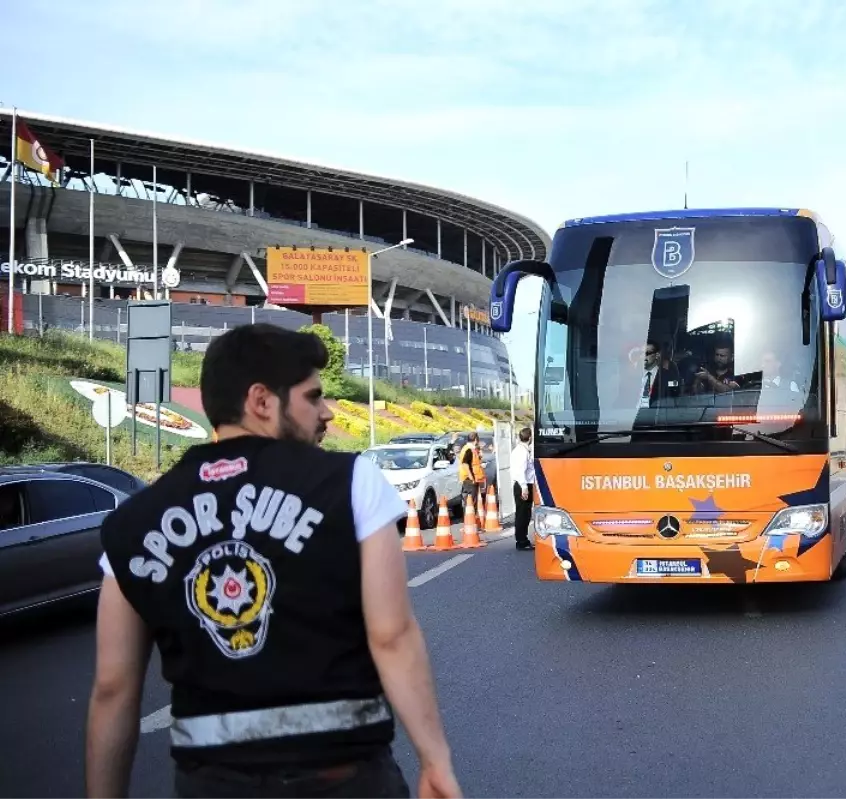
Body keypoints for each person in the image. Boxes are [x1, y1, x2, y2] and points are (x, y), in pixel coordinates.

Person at [85, 323, 461, 799]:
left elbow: (114, 689)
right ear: (261, 401)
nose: (326, 414)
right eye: (312, 397)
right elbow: (392, 635)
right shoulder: (349, 483)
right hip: (344, 777)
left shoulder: (132, 522)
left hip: (212, 784)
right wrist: (434, 758)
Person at [509, 427, 535, 550]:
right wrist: (524, 487)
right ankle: (521, 541)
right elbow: (520, 471)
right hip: (523, 485)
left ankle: (523, 539)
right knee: (522, 514)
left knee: (525, 513)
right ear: (529, 438)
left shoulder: (523, 450)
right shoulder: (522, 452)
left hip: (524, 484)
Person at [458, 431, 487, 510]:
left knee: (470, 502)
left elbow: (472, 462)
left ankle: (470, 519)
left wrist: (479, 456)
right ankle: (470, 520)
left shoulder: (470, 449)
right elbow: (465, 463)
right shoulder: (469, 449)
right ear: (476, 440)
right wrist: (471, 477)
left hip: (470, 478)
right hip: (469, 478)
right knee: (471, 502)